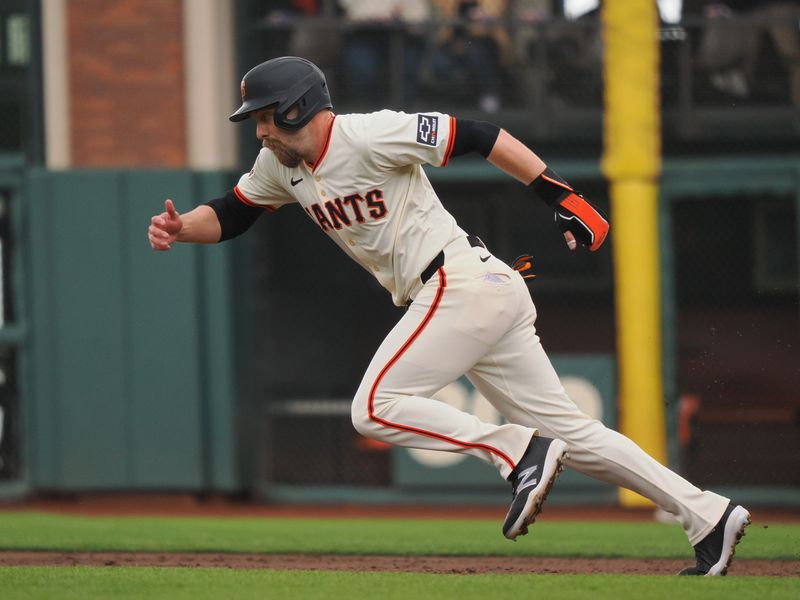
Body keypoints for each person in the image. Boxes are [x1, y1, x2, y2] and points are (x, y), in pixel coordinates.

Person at [148, 56, 750, 575]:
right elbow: (232, 212)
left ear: (300, 108)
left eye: (265, 114)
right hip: (471, 292)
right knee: (577, 437)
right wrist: (182, 229)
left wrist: (559, 194)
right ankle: (708, 515)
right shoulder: (281, 167)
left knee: (374, 406)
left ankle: (515, 451)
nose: (259, 129)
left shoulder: (370, 134)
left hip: (460, 282)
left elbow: (480, 134)